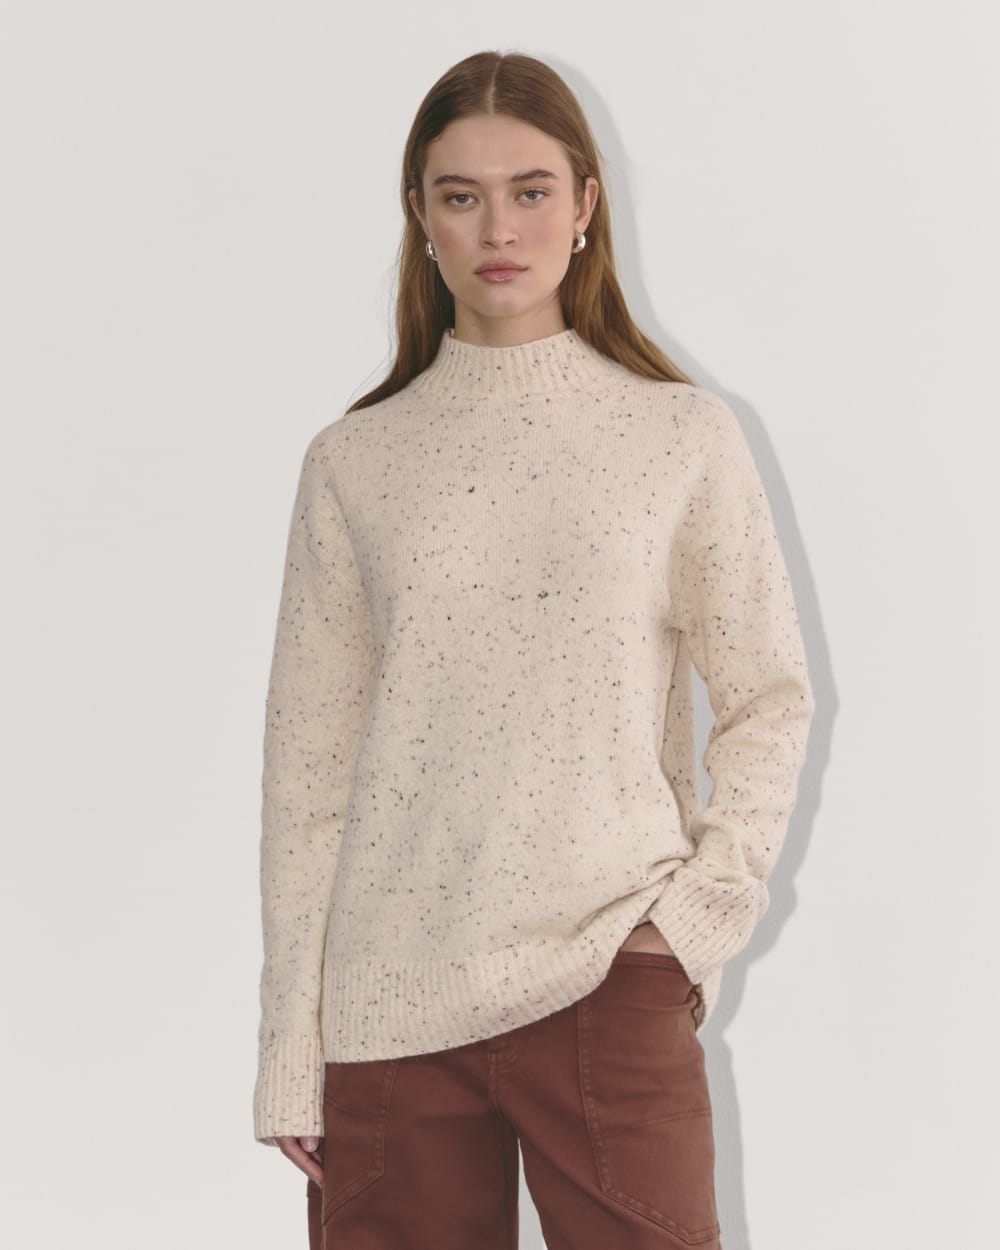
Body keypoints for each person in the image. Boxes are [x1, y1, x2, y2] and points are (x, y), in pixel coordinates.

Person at [253, 50, 815, 1250]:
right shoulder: (353, 462)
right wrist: (290, 1046)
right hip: (390, 1006)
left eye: (530, 190)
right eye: (460, 195)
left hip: (609, 972)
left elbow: (767, 695)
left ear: (585, 203)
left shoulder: (679, 435)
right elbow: (309, 777)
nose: (497, 228)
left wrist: (696, 918)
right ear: (420, 214)